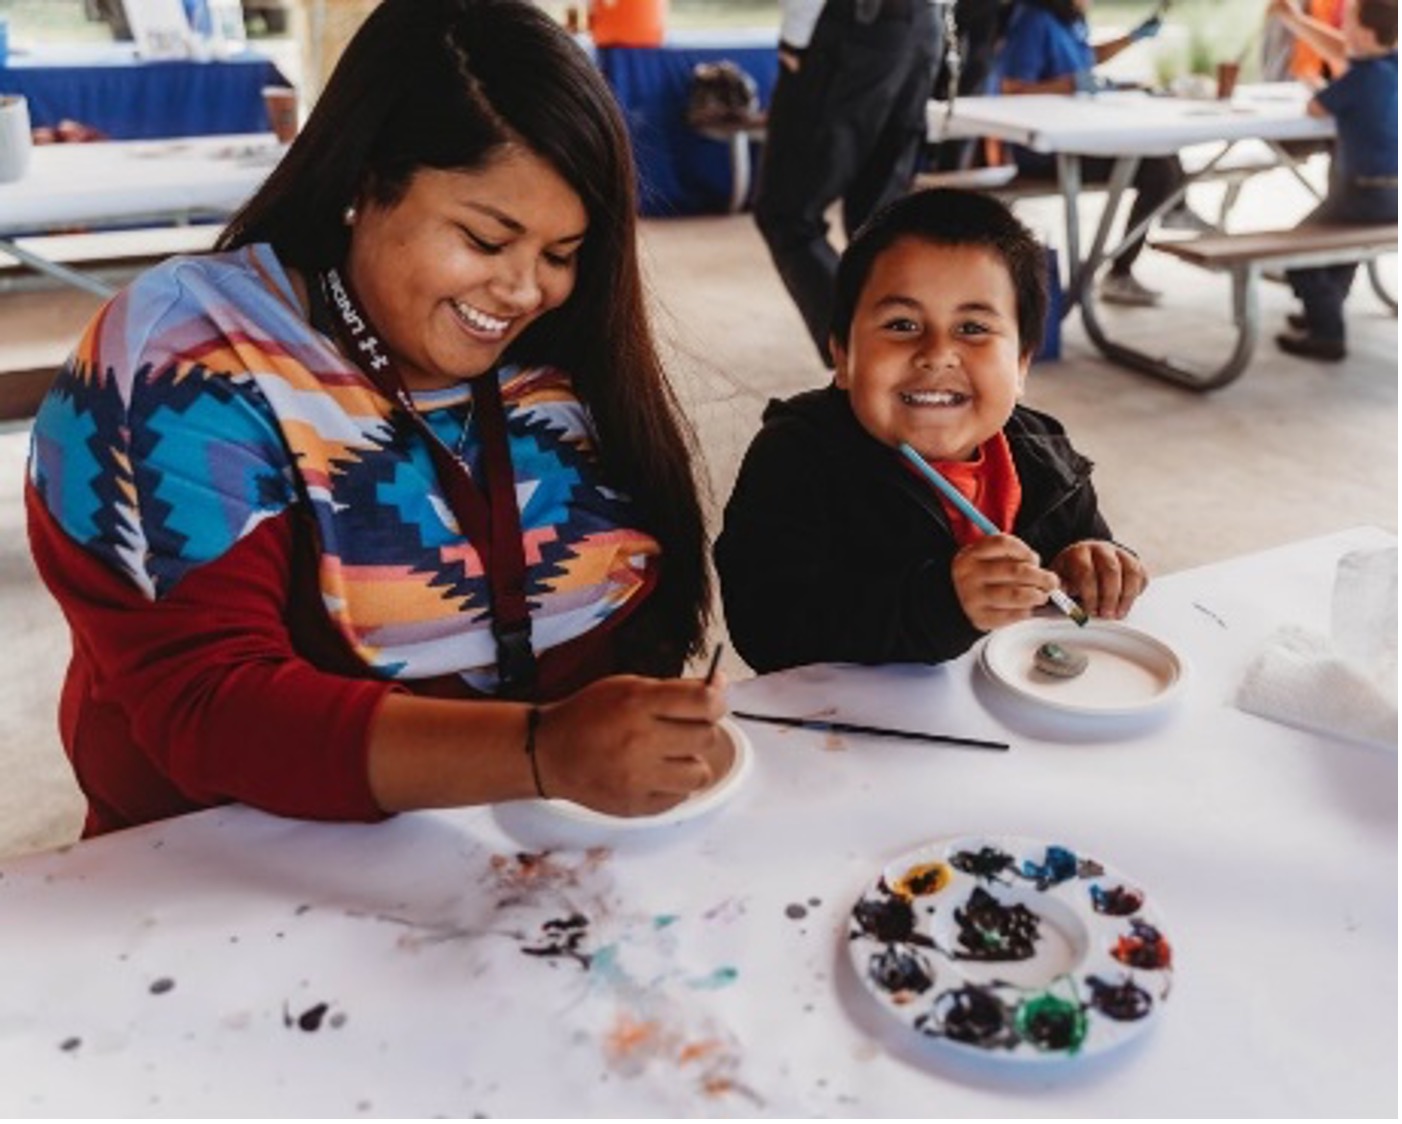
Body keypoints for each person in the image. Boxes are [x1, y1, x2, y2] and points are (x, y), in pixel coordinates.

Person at [25, 0, 729, 838]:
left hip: (532, 867)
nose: (522, 291)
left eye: (560, 255)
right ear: (366, 181)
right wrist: (541, 750)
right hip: (225, 893)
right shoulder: (185, 357)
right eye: (484, 237)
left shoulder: (564, 358)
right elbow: (211, 708)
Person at [715, 188, 1147, 674]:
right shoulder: (797, 457)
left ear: (1022, 364)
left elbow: (1082, 574)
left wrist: (1096, 563)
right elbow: (765, 629)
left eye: (973, 329)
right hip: (854, 731)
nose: (937, 352)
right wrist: (940, 604)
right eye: (902, 324)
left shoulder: (1044, 454)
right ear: (842, 356)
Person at [753, 0, 944, 366]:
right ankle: (904, 353)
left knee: (787, 212)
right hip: (921, 29)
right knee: (878, 221)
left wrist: (796, 36)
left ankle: (863, 358)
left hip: (853, 29)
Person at [995, 0, 1211, 307]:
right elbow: (1011, 88)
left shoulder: (1070, 20)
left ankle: (1174, 209)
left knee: (1160, 148)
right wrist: (1072, 85)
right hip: (1045, 149)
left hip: (1079, 136)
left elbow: (1085, 59)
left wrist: (1132, 38)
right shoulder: (1033, 21)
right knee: (1158, 168)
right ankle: (1127, 264)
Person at [1268, 0, 1397, 361]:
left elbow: (1316, 108)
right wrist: (1294, 20)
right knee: (1338, 251)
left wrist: (1315, 83)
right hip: (1393, 194)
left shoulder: (1360, 78)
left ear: (1366, 33)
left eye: (1349, 23)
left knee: (1296, 250)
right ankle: (1322, 312)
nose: (1343, 29)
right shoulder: (1393, 66)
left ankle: (1327, 334)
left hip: (1362, 193)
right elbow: (1344, 51)